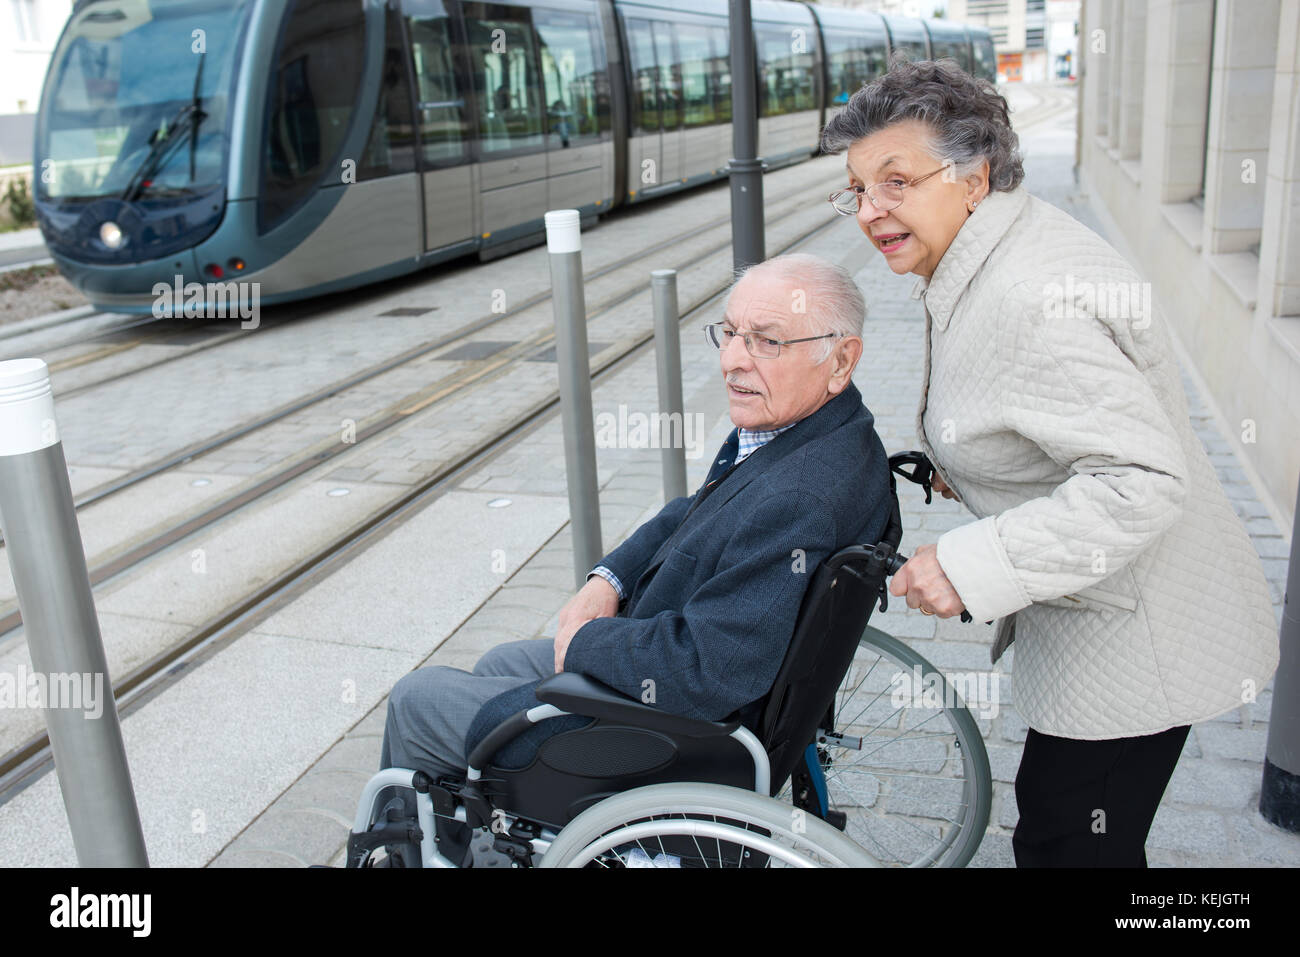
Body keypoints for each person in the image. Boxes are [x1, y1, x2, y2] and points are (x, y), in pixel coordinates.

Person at [820, 56, 1280, 867]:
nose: (870, 210)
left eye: (896, 182)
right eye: (858, 189)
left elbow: (1140, 481)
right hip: (1110, 615)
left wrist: (968, 561)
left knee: (1070, 843)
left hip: (1138, 634)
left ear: (974, 175)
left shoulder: (1028, 296)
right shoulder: (989, 251)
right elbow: (1043, 418)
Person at [379, 252, 891, 798]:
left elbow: (706, 671)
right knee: (499, 660)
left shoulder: (800, 497)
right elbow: (695, 510)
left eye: (768, 341)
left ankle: (412, 839)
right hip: (680, 684)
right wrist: (609, 580)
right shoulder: (823, 434)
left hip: (668, 738)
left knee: (418, 698)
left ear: (841, 360)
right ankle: (479, 816)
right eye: (731, 333)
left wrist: (587, 640)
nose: (733, 361)